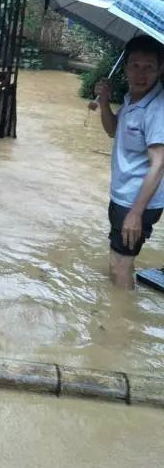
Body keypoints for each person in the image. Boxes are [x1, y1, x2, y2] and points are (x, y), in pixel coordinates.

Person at [94, 35, 164, 289]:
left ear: (160, 70)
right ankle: (121, 312)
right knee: (120, 258)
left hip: (137, 203)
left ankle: (118, 323)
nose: (141, 73)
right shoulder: (132, 98)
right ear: (124, 67)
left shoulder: (157, 109)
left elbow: (159, 164)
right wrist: (104, 102)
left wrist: (136, 213)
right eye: (135, 65)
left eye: (149, 67)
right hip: (123, 195)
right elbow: (113, 130)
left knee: (119, 264)